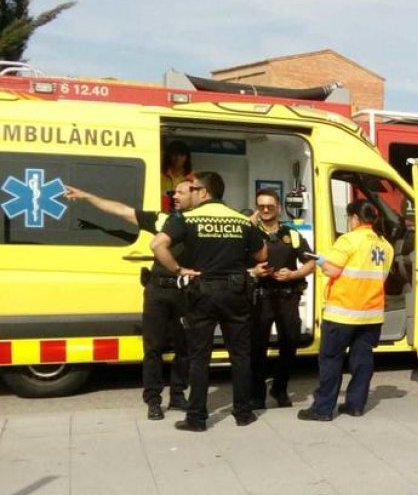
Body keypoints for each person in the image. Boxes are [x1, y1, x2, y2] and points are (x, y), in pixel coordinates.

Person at [64, 181, 197, 420]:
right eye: (173, 192)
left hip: (185, 292)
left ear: (196, 194)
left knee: (184, 347)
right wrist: (86, 195)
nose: (174, 196)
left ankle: (178, 395)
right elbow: (120, 210)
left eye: (180, 192)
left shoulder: (201, 223)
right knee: (153, 348)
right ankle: (153, 400)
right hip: (158, 291)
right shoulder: (161, 219)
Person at [152, 171, 266, 432]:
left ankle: (196, 418)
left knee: (199, 357)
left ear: (204, 192)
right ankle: (244, 413)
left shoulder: (187, 219)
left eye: (192, 188)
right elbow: (263, 254)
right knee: (240, 355)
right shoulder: (242, 220)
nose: (189, 192)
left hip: (201, 294)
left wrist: (178, 270)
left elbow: (157, 245)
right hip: (236, 294)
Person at [298, 199, 394, 421]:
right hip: (371, 315)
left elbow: (332, 270)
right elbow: (381, 278)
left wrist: (321, 260)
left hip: (342, 313)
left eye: (349, 218)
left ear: (355, 218)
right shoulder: (385, 245)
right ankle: (355, 406)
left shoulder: (348, 240)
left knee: (331, 360)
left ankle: (322, 409)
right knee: (363, 361)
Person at [247, 188, 316, 409]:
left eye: (269, 206)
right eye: (261, 206)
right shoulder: (250, 233)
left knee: (290, 344)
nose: (265, 210)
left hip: (287, 298)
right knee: (257, 348)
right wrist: (254, 271)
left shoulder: (291, 234)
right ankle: (257, 394)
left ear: (278, 207)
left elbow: (312, 262)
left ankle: (280, 389)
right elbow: (236, 264)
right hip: (261, 297)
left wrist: (294, 274)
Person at [160, 141, 193, 208]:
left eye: (182, 155)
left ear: (187, 158)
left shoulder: (193, 178)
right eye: (174, 154)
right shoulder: (159, 175)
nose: (178, 158)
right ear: (168, 156)